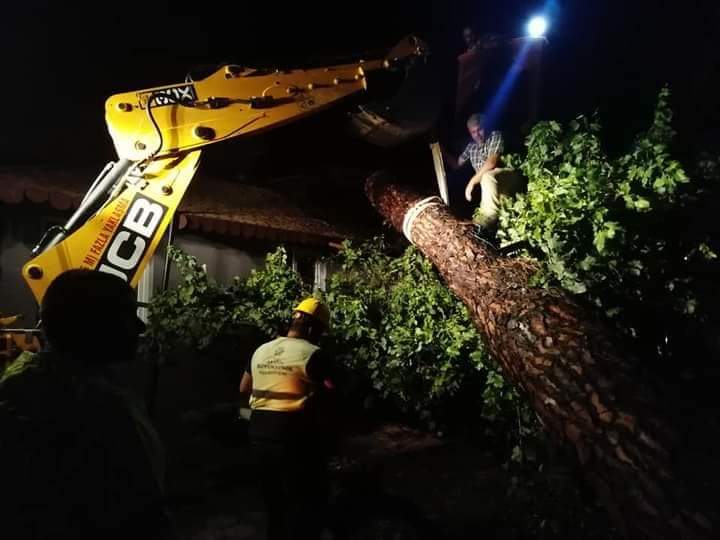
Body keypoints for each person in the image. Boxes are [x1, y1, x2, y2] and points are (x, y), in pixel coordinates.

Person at [0, 269, 175, 539]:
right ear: (91, 323)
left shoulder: (36, 388)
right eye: (127, 314)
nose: (140, 327)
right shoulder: (84, 404)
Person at [239, 297, 336, 540]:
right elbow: (333, 390)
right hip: (294, 434)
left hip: (259, 433)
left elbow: (244, 388)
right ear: (314, 328)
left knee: (274, 502)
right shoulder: (313, 354)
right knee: (305, 499)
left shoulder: (261, 350)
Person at [444, 112, 524, 231]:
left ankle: (487, 220)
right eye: (473, 132)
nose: (478, 135)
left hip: (508, 178)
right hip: (493, 189)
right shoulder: (471, 147)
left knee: (487, 176)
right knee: (496, 213)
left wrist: (471, 183)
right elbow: (456, 165)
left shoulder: (495, 136)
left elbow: (491, 163)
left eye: (480, 130)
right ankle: (485, 227)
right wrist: (441, 150)